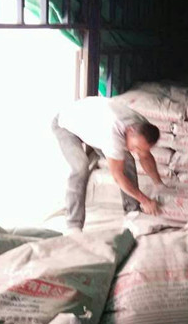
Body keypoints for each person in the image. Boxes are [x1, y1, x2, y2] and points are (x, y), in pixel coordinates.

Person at [53, 96, 163, 230]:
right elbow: (118, 176)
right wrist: (145, 200)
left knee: (127, 159)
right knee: (80, 167)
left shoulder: (142, 126)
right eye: (135, 147)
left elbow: (145, 156)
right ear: (130, 131)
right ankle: (73, 225)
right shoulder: (112, 133)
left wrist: (159, 184)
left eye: (139, 149)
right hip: (66, 124)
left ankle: (132, 211)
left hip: (92, 125)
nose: (136, 151)